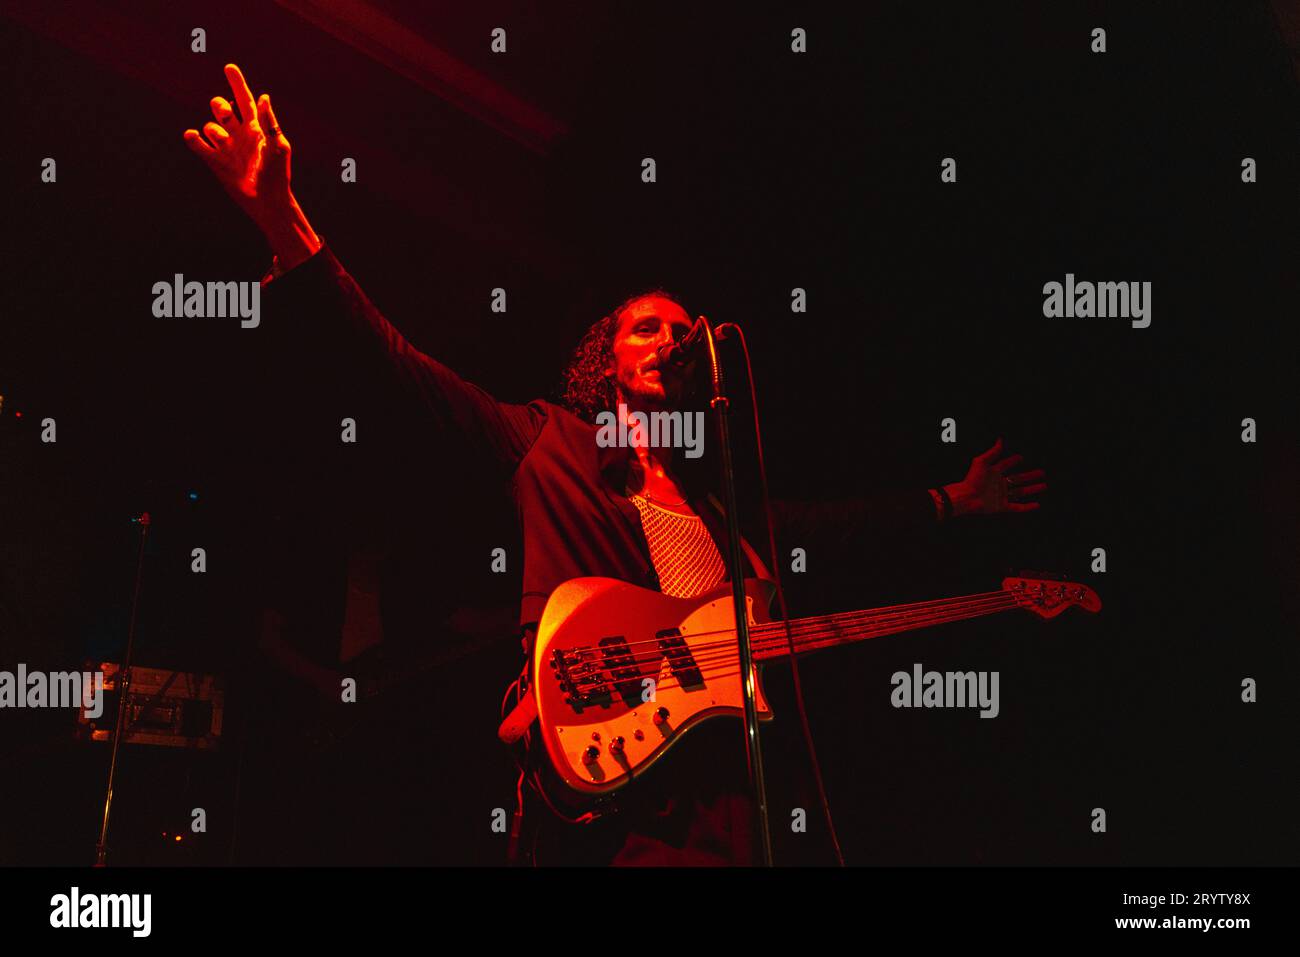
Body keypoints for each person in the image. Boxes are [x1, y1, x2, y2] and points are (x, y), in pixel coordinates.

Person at [184, 64, 1047, 865]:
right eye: (647, 327)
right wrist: (283, 221)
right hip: (604, 797)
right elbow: (399, 369)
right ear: (606, 359)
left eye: (682, 330)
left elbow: (832, 523)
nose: (671, 339)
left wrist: (953, 499)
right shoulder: (548, 443)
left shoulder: (719, 501)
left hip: (728, 804)